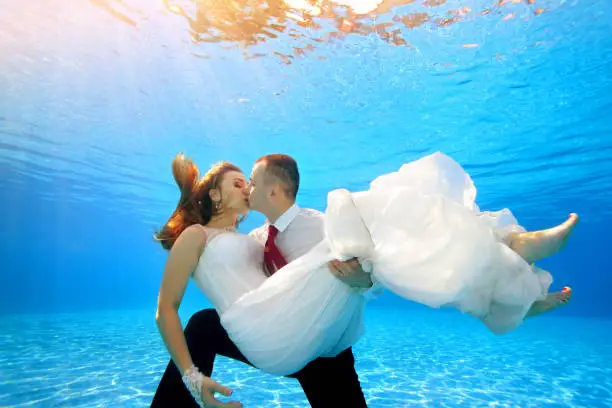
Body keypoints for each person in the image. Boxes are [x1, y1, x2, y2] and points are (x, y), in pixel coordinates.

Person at [152, 151, 576, 407]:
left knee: (373, 245)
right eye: (238, 182)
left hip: (304, 331)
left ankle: (509, 281)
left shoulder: (259, 234)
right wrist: (192, 377)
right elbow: (165, 309)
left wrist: (359, 277)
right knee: (357, 221)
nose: (248, 188)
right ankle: (511, 249)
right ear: (213, 195)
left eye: (250, 182)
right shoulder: (196, 236)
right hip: (265, 331)